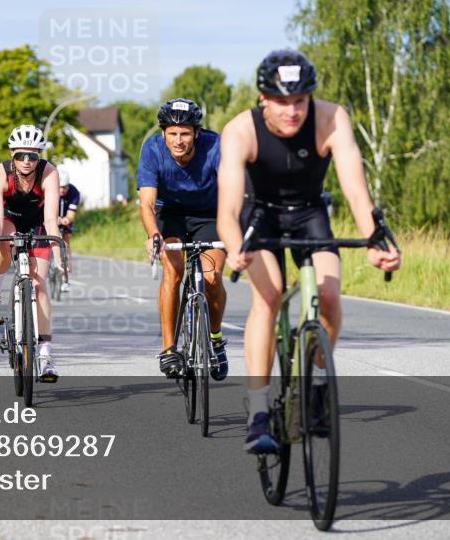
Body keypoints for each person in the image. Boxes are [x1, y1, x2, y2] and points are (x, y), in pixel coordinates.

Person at [216, 48, 401, 454]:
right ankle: (259, 411)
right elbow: (227, 209)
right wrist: (234, 249)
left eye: (300, 100)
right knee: (269, 295)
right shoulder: (239, 131)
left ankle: (316, 388)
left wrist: (374, 240)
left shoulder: (331, 119)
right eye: (281, 102)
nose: (292, 111)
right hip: (258, 215)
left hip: (309, 213)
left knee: (330, 294)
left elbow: (355, 187)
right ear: (263, 98)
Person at [137, 98, 228, 381]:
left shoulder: (216, 146)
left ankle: (215, 339)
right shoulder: (152, 149)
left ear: (196, 133)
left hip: (211, 214)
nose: (178, 140)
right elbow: (147, 204)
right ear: (163, 133)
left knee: (212, 278)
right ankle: (168, 350)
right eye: (173, 134)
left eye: (185, 133)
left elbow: (232, 191)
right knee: (173, 272)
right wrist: (154, 235)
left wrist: (234, 231)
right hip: (170, 214)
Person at [0, 124, 65, 383]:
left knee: (39, 286)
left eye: (33, 156)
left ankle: (46, 356)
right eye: (20, 156)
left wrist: (59, 259)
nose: (27, 161)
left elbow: (51, 219)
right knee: (3, 246)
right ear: (12, 155)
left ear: (39, 157)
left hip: (38, 222)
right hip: (8, 220)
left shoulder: (49, 173)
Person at [56, 169, 81, 293]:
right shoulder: (50, 190)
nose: (62, 190)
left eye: (64, 187)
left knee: (65, 242)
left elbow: (71, 214)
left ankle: (65, 278)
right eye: (59, 187)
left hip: (65, 218)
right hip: (51, 218)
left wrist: (66, 220)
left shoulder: (74, 192)